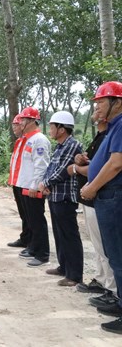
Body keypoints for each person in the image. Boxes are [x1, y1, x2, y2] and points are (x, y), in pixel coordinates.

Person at [81, 81, 122, 334]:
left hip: (113, 195)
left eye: (101, 102)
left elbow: (116, 163)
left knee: (118, 254)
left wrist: (92, 186)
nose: (97, 107)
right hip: (108, 196)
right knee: (113, 253)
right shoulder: (114, 127)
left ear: (117, 103)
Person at [72, 115, 116, 301]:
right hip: (90, 199)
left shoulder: (110, 136)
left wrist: (76, 169)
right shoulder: (100, 137)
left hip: (99, 197)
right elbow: (93, 163)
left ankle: (112, 289)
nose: (96, 109)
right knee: (98, 246)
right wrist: (79, 160)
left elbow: (101, 169)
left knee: (106, 247)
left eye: (100, 104)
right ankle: (101, 280)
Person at [38, 111, 83, 286]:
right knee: (59, 234)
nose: (50, 130)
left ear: (62, 129)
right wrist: (45, 182)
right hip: (55, 195)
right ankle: (64, 267)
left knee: (69, 235)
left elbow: (63, 170)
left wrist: (45, 183)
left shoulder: (72, 145)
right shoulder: (59, 146)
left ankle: (74, 275)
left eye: (52, 127)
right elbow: (51, 168)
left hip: (65, 197)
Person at [13, 107, 52, 267]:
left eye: (22, 120)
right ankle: (33, 247)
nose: (20, 122)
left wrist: (35, 186)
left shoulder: (39, 140)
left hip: (32, 187)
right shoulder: (26, 139)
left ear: (31, 121)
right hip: (24, 185)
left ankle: (42, 254)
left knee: (37, 220)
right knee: (30, 219)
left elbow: (41, 165)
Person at [7, 115, 31, 249]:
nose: (14, 128)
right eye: (13, 126)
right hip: (17, 181)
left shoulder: (30, 141)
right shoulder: (19, 141)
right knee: (23, 213)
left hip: (25, 182)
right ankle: (25, 238)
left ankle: (31, 242)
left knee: (29, 214)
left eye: (16, 125)